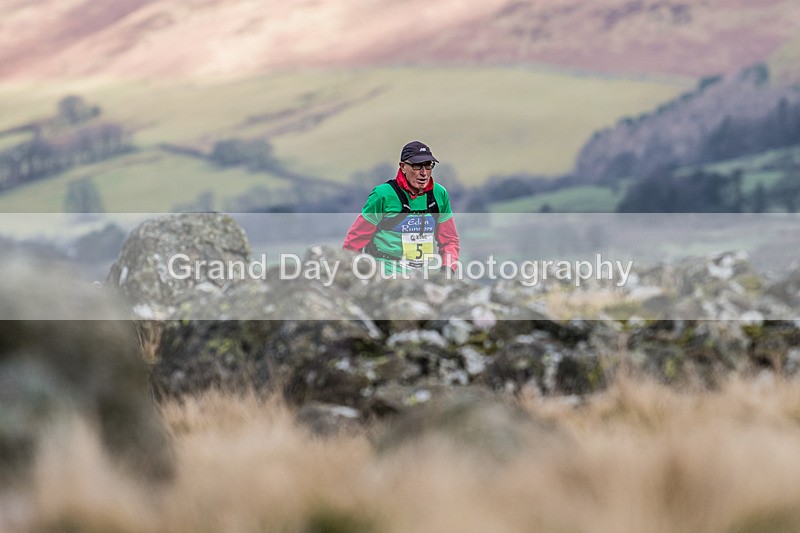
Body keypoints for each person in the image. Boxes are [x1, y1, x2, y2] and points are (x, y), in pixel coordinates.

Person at [343, 140, 460, 273]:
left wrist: (448, 269)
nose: (424, 173)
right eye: (417, 166)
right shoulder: (382, 194)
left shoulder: (439, 194)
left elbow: (450, 240)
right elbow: (355, 240)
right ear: (403, 166)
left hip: (421, 276)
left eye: (428, 165)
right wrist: (348, 272)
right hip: (383, 273)